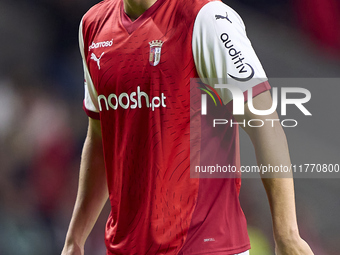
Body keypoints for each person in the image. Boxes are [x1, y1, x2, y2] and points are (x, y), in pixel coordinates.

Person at [61, 0, 314, 254]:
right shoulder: (93, 26)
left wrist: (287, 233)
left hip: (206, 246)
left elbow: (265, 123)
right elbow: (100, 138)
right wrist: (75, 239)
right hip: (126, 247)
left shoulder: (205, 17)